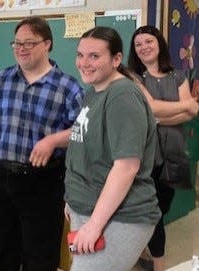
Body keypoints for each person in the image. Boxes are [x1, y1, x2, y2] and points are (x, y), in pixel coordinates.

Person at [0, 16, 84, 271]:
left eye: (29, 43)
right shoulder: (1, 79)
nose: (21, 48)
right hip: (1, 176)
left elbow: (82, 131)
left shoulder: (68, 87)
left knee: (40, 253)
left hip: (43, 180)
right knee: (1, 246)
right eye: (17, 43)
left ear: (47, 44)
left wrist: (53, 140)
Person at [64, 26, 162, 271]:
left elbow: (126, 167)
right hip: (87, 206)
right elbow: (84, 146)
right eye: (80, 55)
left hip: (120, 216)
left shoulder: (122, 95)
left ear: (116, 59)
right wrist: (73, 200)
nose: (84, 63)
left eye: (94, 56)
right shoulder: (94, 91)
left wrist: (95, 224)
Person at [128, 25, 198, 271]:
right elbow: (153, 109)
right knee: (153, 211)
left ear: (159, 44)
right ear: (134, 51)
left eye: (149, 41)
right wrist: (180, 108)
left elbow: (192, 112)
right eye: (138, 44)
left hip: (174, 152)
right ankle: (159, 265)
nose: (144, 47)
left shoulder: (177, 75)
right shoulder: (133, 77)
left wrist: (159, 114)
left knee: (163, 208)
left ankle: (145, 250)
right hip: (147, 154)